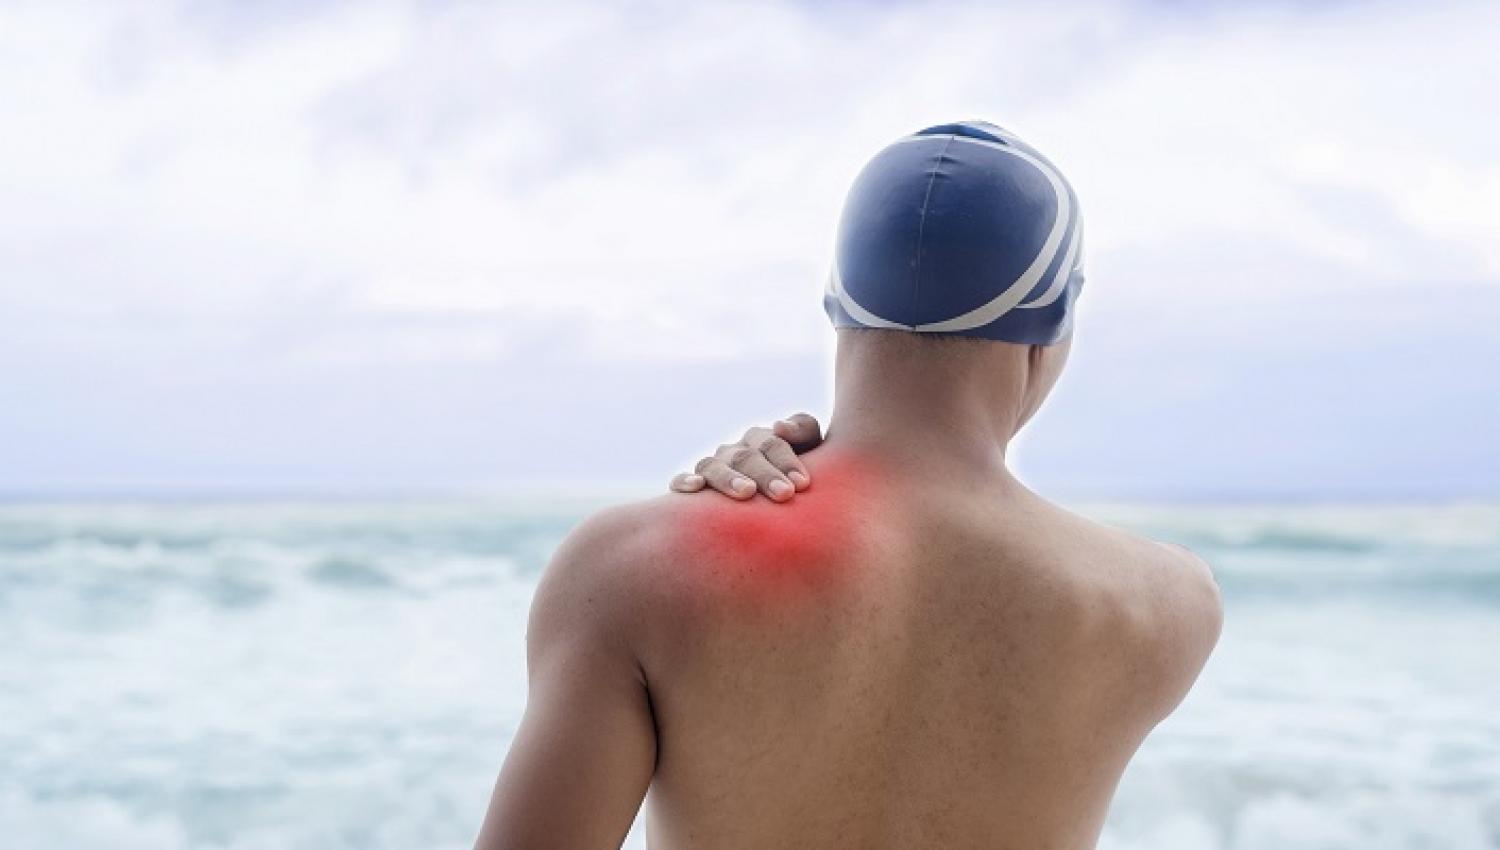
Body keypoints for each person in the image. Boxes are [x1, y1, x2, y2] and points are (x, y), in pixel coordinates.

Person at [474, 120, 1223, 850]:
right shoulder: (1164, 607)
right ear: (1056, 316)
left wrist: (696, 529)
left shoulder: (631, 569)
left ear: (835, 297)